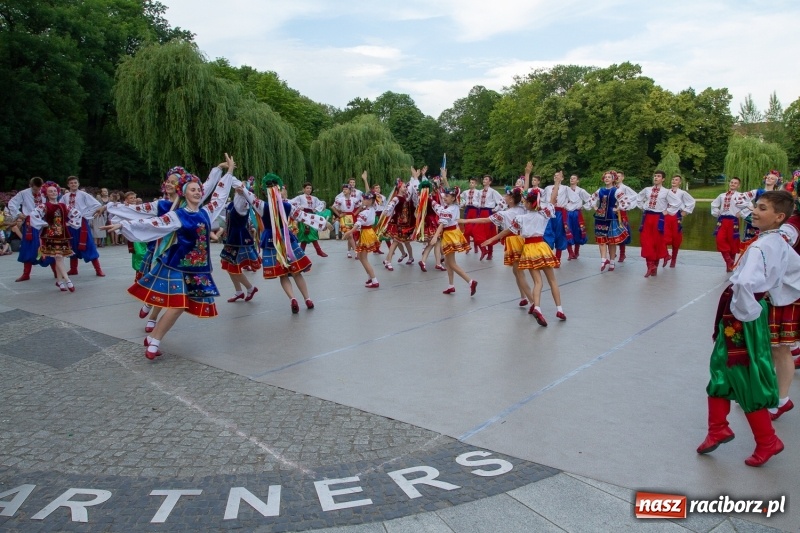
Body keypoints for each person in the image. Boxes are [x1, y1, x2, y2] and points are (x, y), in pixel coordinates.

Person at [697, 190, 800, 466]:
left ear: (779, 217)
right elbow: (795, 271)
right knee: (722, 365)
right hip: (751, 310)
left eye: (762, 208)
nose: (754, 211)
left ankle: (767, 440)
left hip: (742, 315)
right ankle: (717, 428)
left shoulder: (760, 247)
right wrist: (774, 296)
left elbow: (744, 284)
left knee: (742, 370)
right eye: (756, 206)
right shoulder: (777, 242)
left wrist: (744, 312)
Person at [103, 154, 237, 359]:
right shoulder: (177, 215)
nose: (197, 192)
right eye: (192, 189)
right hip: (177, 265)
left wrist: (228, 172)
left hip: (197, 268)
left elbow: (218, 195)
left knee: (179, 307)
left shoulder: (206, 212)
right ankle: (154, 343)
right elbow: (152, 223)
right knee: (177, 305)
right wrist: (123, 225)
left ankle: (152, 338)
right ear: (184, 193)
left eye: (199, 190)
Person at [240, 173, 328, 313]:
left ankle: (292, 298)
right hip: (287, 240)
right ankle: (307, 299)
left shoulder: (261, 206)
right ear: (279, 189)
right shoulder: (287, 206)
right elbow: (304, 217)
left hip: (271, 241)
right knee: (296, 272)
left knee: (283, 274)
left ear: (265, 191)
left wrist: (242, 188)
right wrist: (322, 223)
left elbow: (250, 197)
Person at [483, 189, 564, 326]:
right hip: (542, 247)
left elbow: (507, 231)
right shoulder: (544, 214)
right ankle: (559, 310)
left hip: (529, 249)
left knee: (538, 282)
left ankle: (537, 307)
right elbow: (552, 198)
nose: (523, 202)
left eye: (525, 201)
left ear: (528, 204)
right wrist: (557, 183)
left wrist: (492, 239)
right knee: (552, 280)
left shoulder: (521, 218)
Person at [461, 187, 528, 305]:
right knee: (517, 271)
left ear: (511, 199)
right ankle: (524, 297)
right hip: (524, 239)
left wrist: (465, 221)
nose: (504, 197)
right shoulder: (523, 209)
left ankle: (532, 301)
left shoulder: (506, 213)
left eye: (506, 196)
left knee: (519, 273)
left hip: (514, 241)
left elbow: (485, 220)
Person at [429, 177, 477, 296]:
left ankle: (470, 281)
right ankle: (451, 286)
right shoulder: (455, 205)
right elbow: (441, 203)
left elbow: (442, 223)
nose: (444, 197)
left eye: (447, 196)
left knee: (451, 263)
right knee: (447, 261)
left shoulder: (450, 209)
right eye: (444, 196)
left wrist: (435, 237)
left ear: (453, 198)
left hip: (450, 235)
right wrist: (443, 180)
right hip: (452, 233)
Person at [29, 182, 76, 291]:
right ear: (46, 194)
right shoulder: (44, 206)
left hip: (62, 234)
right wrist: (44, 224)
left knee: (60, 258)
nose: (53, 193)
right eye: (50, 191)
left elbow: (76, 214)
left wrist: (70, 223)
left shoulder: (64, 205)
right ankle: (67, 280)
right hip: (50, 235)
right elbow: (33, 215)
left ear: (58, 192)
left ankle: (59, 281)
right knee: (58, 257)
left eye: (55, 191)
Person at [7, 177, 55, 281]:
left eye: (39, 189)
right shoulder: (23, 193)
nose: (37, 191)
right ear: (30, 185)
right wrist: (18, 213)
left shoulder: (44, 192)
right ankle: (26, 274)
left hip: (44, 222)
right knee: (28, 247)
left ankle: (56, 272)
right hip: (30, 224)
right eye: (35, 189)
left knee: (48, 246)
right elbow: (12, 203)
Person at [220, 181, 260, 303]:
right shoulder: (235, 202)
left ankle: (250, 288)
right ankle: (239, 291)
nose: (238, 187)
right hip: (231, 238)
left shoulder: (242, 202)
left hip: (238, 239)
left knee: (233, 267)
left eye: (242, 186)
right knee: (229, 266)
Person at [60, 176, 106, 277]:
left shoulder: (84, 195)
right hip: (70, 224)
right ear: (68, 185)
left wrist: (85, 214)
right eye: (71, 183)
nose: (73, 184)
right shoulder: (65, 197)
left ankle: (98, 269)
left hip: (81, 223)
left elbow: (96, 205)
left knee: (88, 244)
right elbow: (60, 207)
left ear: (78, 184)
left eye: (75, 182)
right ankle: (73, 269)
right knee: (72, 244)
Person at [589, 171, 629, 272]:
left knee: (612, 241)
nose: (606, 178)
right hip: (600, 217)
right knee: (601, 239)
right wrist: (594, 207)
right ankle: (603, 260)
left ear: (613, 179)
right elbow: (592, 198)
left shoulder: (616, 190)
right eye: (605, 177)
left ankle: (612, 262)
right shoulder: (600, 190)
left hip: (611, 218)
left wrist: (618, 208)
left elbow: (626, 202)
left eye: (609, 177)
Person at [737, 170, 783, 253]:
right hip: (756, 218)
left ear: (776, 182)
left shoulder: (777, 195)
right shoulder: (758, 192)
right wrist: (749, 206)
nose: (769, 179)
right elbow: (740, 197)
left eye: (772, 178)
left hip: (768, 221)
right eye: (768, 177)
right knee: (750, 242)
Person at [637, 170, 670, 277]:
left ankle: (654, 267)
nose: (656, 178)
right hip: (647, 217)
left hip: (658, 218)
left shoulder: (666, 192)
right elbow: (638, 198)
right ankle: (650, 266)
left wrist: (667, 211)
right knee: (646, 241)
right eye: (655, 176)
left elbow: (676, 203)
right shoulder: (647, 189)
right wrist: (642, 207)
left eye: (658, 176)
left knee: (657, 242)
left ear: (663, 179)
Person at [343, 192, 380, 288]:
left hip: (366, 234)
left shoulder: (364, 212)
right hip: (368, 232)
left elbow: (357, 224)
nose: (363, 200)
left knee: (363, 258)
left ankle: (374, 280)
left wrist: (349, 232)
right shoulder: (372, 208)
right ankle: (370, 277)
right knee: (360, 256)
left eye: (365, 199)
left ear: (370, 201)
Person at [711, 177, 745, 272]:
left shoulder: (741, 196)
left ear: (738, 185)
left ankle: (729, 266)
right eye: (731, 182)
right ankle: (729, 260)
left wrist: (741, 213)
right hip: (722, 220)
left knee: (732, 241)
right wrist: (717, 212)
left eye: (735, 183)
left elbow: (749, 206)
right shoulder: (722, 195)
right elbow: (714, 205)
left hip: (733, 221)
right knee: (720, 239)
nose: (733, 184)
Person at [382, 180, 417, 270]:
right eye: (404, 187)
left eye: (406, 187)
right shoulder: (396, 198)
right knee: (395, 242)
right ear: (399, 188)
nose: (406, 188)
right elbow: (391, 205)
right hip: (397, 223)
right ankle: (388, 261)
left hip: (405, 224)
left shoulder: (406, 197)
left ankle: (410, 257)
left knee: (405, 242)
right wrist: (387, 211)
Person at [662, 175, 696, 268]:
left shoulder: (682, 193)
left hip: (676, 216)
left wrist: (686, 211)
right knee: (663, 236)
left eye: (676, 180)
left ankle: (673, 259)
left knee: (676, 238)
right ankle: (666, 255)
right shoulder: (666, 192)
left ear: (680, 182)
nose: (674, 181)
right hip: (666, 215)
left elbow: (692, 202)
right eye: (673, 179)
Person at [474, 174, 507, 260]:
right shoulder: (479, 192)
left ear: (490, 182)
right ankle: (484, 250)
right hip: (480, 212)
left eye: (486, 179)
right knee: (476, 231)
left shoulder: (493, 192)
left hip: (488, 212)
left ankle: (490, 253)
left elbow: (502, 201)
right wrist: (477, 205)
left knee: (489, 233)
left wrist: (495, 209)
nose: (484, 180)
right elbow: (475, 201)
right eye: (484, 179)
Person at [291, 182, 329, 257]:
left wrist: (315, 209)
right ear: (303, 189)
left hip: (312, 217)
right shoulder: (300, 197)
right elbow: (292, 203)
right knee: (305, 235)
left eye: (310, 188)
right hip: (303, 217)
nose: (309, 189)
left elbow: (321, 204)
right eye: (307, 188)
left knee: (312, 234)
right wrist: (300, 208)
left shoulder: (314, 198)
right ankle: (317, 251)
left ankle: (301, 254)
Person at [564, 174, 591, 260]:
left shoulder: (581, 191)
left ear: (577, 180)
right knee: (567, 230)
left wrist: (584, 206)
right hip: (567, 213)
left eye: (574, 178)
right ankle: (570, 253)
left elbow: (590, 199)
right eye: (571, 178)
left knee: (578, 231)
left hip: (576, 213)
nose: (572, 179)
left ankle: (576, 252)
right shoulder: (566, 190)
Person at [613, 172, 638, 262]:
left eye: (619, 176)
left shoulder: (625, 188)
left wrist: (624, 203)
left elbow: (635, 196)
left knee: (622, 232)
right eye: (615, 176)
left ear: (622, 178)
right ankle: (612, 251)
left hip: (621, 211)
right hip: (611, 211)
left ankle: (622, 254)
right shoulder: (612, 187)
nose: (617, 178)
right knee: (611, 231)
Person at [331, 183, 361, 258]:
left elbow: (360, 206)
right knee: (350, 235)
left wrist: (355, 213)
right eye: (343, 189)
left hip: (351, 217)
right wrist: (339, 215)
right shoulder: (340, 199)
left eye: (346, 189)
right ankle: (356, 251)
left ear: (350, 191)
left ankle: (348, 251)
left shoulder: (354, 199)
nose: (344, 190)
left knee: (350, 235)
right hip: (344, 217)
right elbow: (333, 207)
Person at [460, 177, 481, 253]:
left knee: (474, 229)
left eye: (473, 183)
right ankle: (467, 246)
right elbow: (460, 198)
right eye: (470, 182)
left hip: (475, 210)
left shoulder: (478, 192)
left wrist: (476, 204)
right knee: (466, 229)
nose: (471, 184)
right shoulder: (465, 192)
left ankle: (475, 246)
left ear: (476, 184)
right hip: (468, 210)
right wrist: (461, 204)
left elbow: (480, 201)